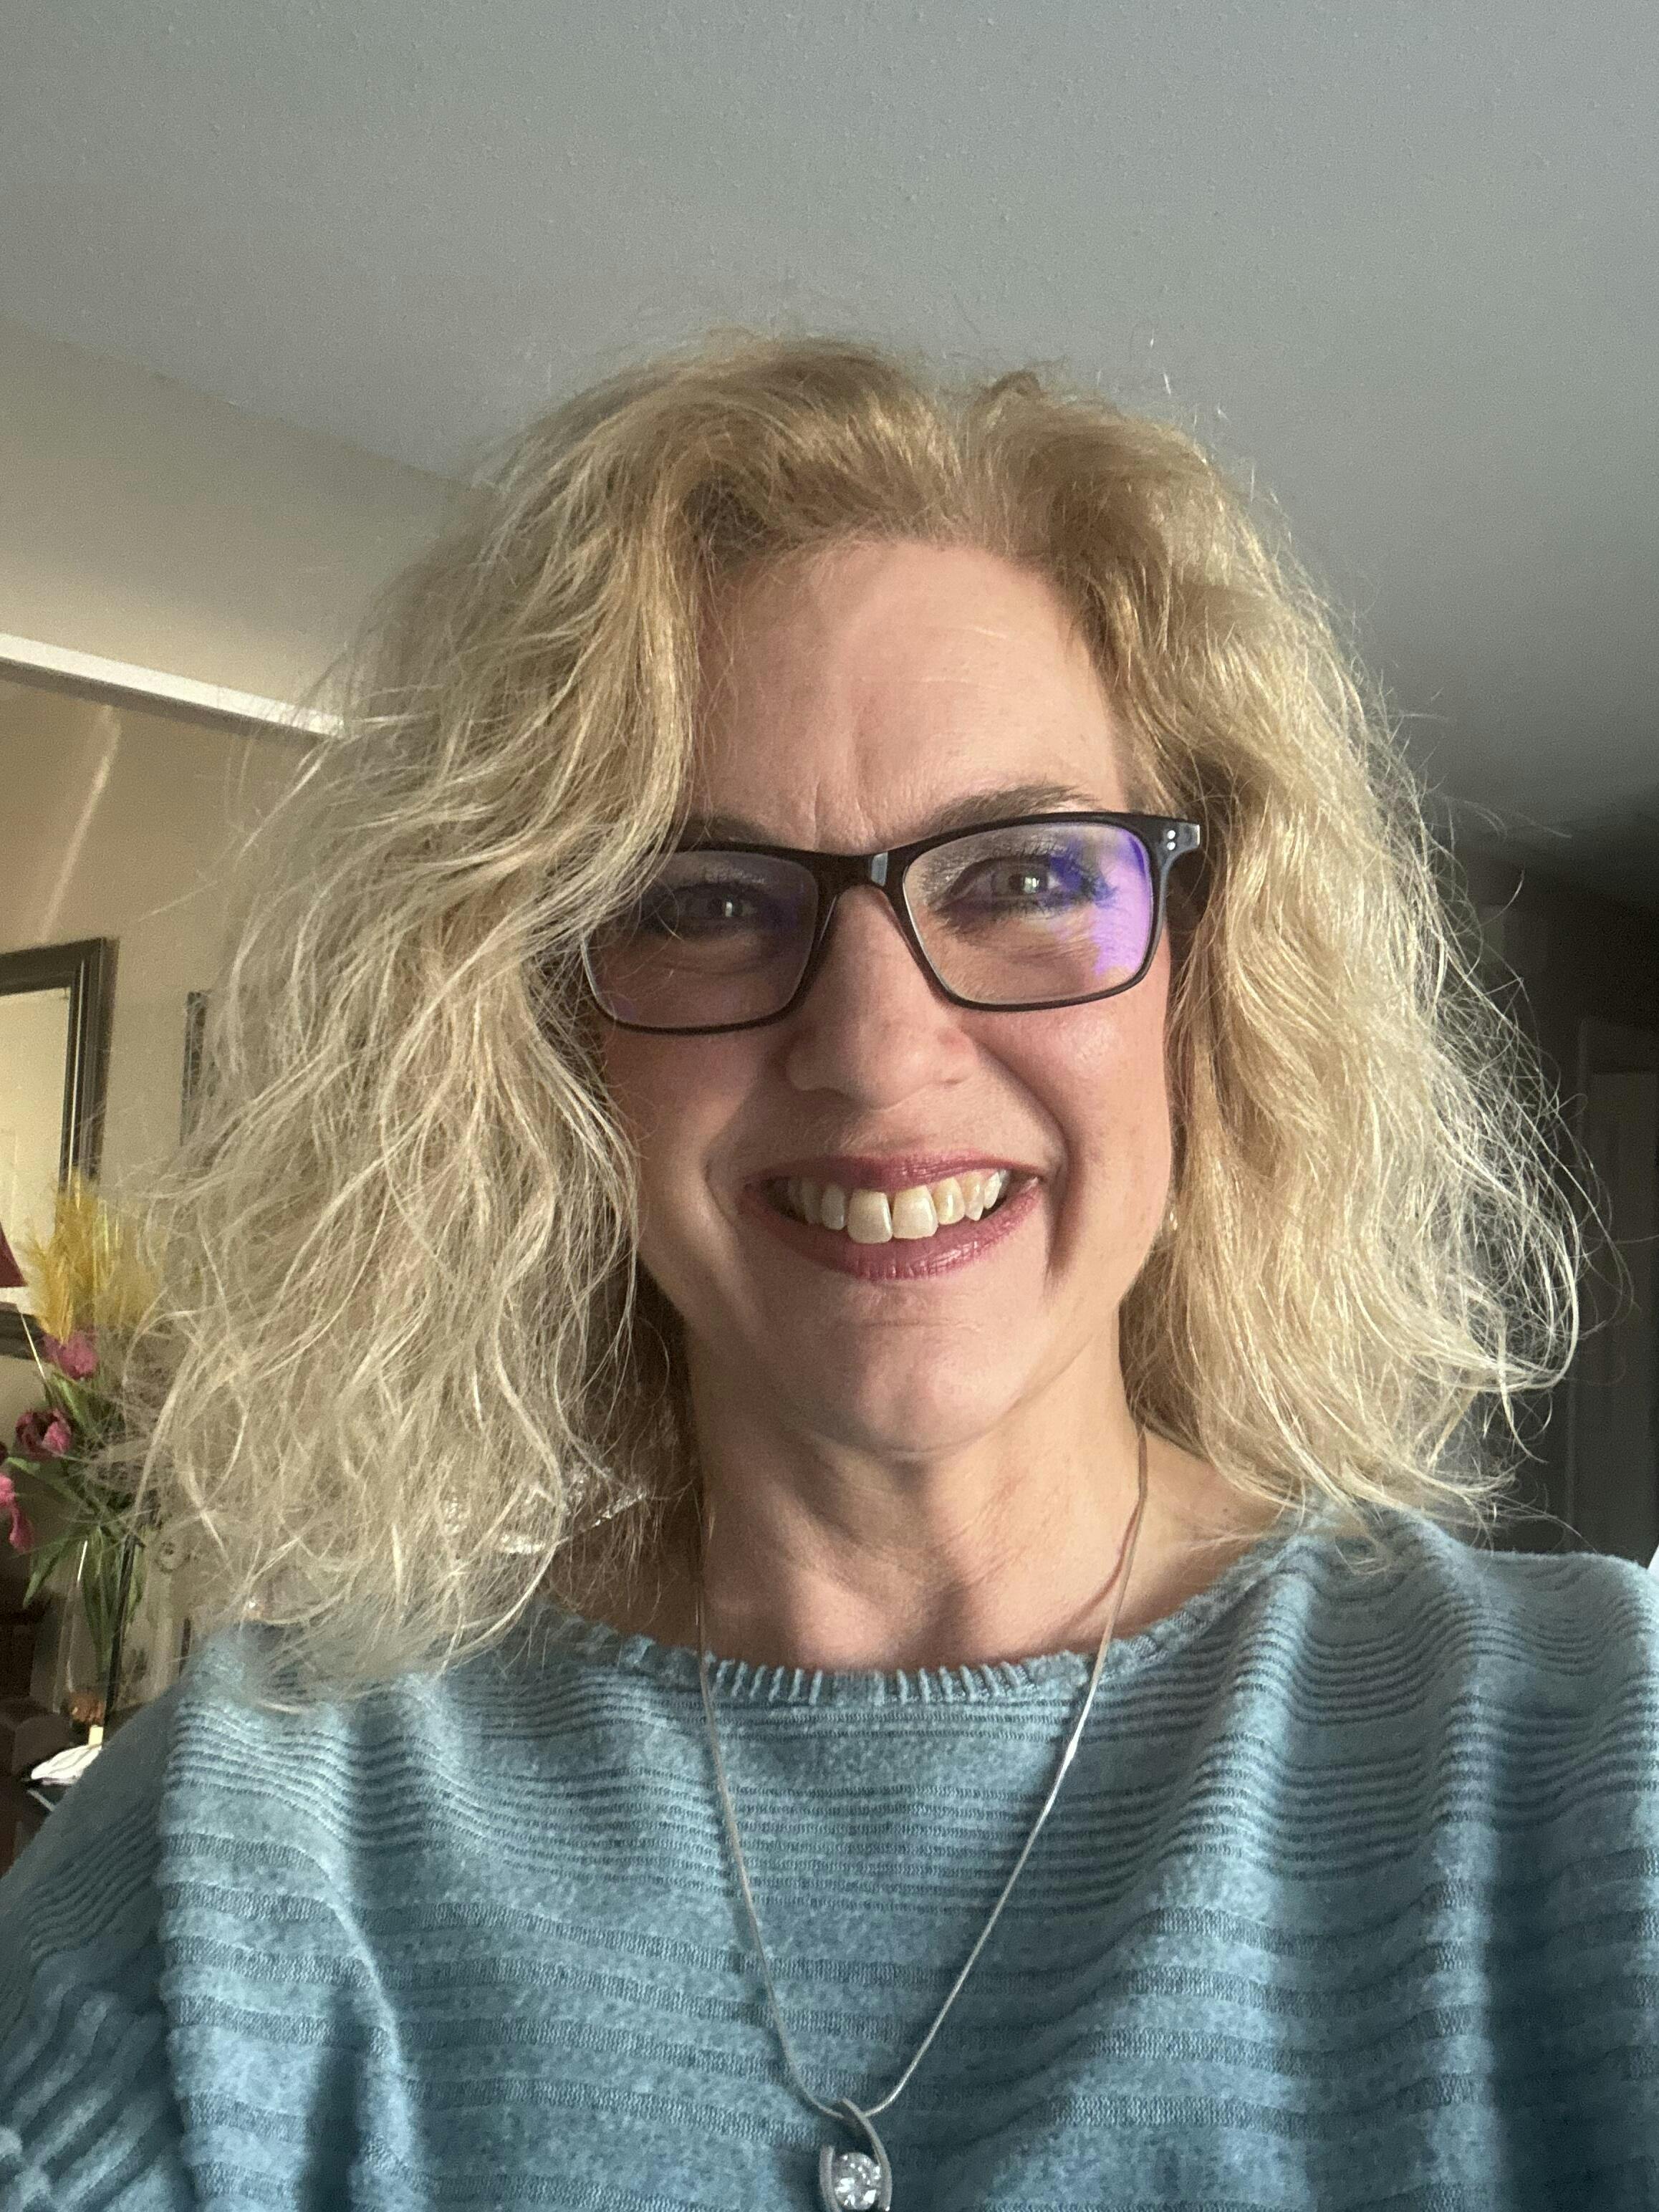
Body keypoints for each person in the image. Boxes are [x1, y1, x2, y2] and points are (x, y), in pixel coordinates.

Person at [2, 334, 1655, 2211]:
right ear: (541, 1037)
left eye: (1025, 877)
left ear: (1207, 979)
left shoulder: (1593, 1757)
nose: (873, 1055)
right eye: (705, 902)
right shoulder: (251, 1847)